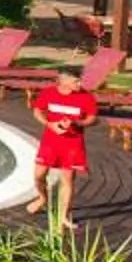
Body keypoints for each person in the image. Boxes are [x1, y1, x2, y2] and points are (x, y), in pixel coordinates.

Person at [29, 65, 99, 233]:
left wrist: (77, 123)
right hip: (50, 142)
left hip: (72, 144)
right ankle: (42, 198)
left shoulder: (86, 97)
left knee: (67, 180)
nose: (80, 83)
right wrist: (49, 124)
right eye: (76, 80)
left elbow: (93, 118)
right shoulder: (48, 94)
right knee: (39, 176)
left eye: (80, 80)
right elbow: (37, 111)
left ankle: (63, 216)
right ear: (63, 81)